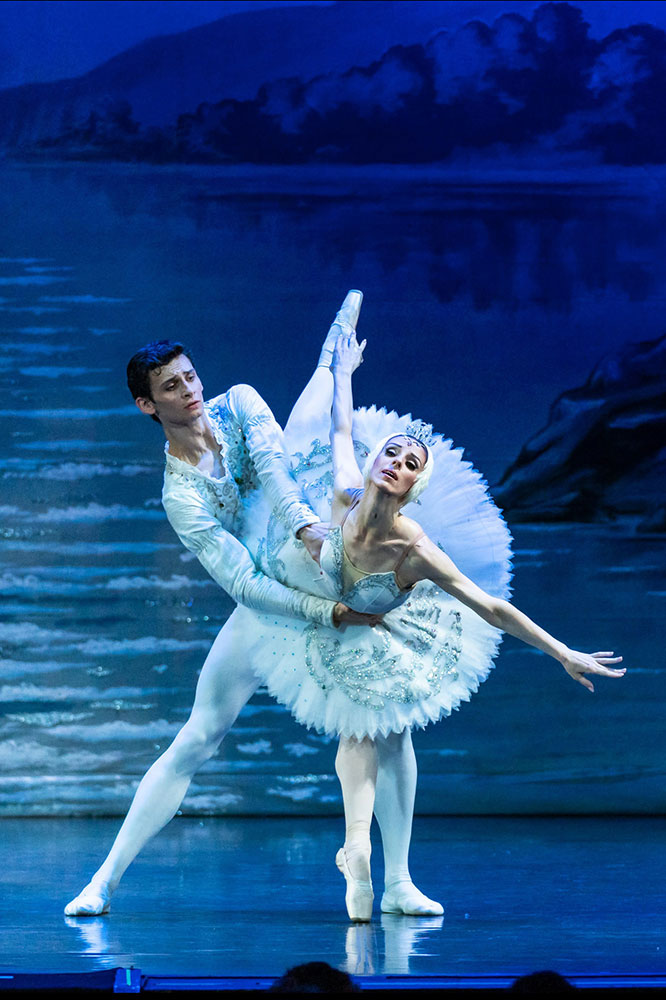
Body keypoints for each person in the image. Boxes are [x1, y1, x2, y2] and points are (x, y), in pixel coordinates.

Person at [231, 324, 626, 923]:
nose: (396, 462)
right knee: (375, 733)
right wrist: (344, 372)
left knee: (376, 729)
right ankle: (373, 865)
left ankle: (364, 858)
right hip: (320, 614)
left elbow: (488, 605)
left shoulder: (415, 547)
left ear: (416, 486)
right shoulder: (341, 494)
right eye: (390, 452)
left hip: (382, 631)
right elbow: (341, 427)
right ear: (373, 462)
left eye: (410, 463)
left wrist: (561, 652)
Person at [64, 292, 378, 917]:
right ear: (146, 406)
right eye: (172, 387)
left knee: (384, 726)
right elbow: (242, 583)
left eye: (190, 377)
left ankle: (391, 880)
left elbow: (278, 472)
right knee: (199, 734)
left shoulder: (237, 402)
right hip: (273, 597)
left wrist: (309, 532)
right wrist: (323, 613)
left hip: (314, 545)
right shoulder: (179, 493)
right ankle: (103, 880)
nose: (190, 391)